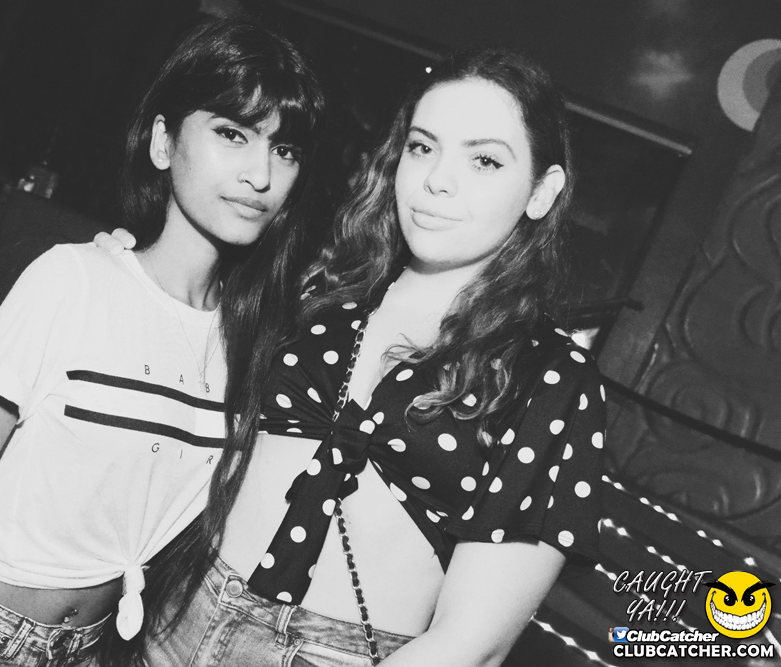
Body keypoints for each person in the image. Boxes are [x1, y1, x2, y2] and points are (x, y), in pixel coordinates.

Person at [97, 46, 605, 667]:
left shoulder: (550, 376)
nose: (437, 179)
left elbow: (474, 643)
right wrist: (130, 271)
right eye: (422, 147)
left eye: (484, 160)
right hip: (180, 611)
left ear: (541, 192)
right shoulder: (323, 290)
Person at [0, 15, 325, 667]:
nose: (260, 174)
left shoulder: (253, 341)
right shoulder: (72, 280)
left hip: (92, 646)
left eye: (285, 149)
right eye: (231, 133)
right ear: (163, 142)